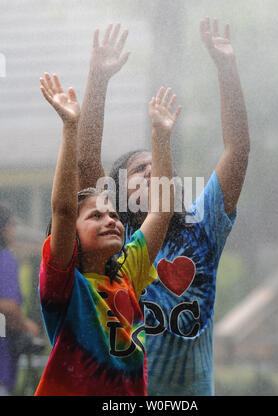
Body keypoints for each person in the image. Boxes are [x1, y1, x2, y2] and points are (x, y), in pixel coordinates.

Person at [78, 18, 250, 395]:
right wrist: (99, 80)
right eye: (141, 170)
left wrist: (226, 67)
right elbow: (86, 158)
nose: (154, 173)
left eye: (160, 168)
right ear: (118, 193)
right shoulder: (108, 242)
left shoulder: (202, 229)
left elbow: (237, 150)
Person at [35, 70, 181, 395]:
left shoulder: (128, 272)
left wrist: (160, 136)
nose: (111, 221)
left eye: (113, 215)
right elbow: (62, 208)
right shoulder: (65, 284)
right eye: (96, 216)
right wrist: (70, 127)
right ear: (71, 232)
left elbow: (161, 210)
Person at [0, 205, 40, 396]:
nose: (14, 231)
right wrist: (26, 326)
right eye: (11, 225)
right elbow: (7, 307)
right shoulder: (5, 258)